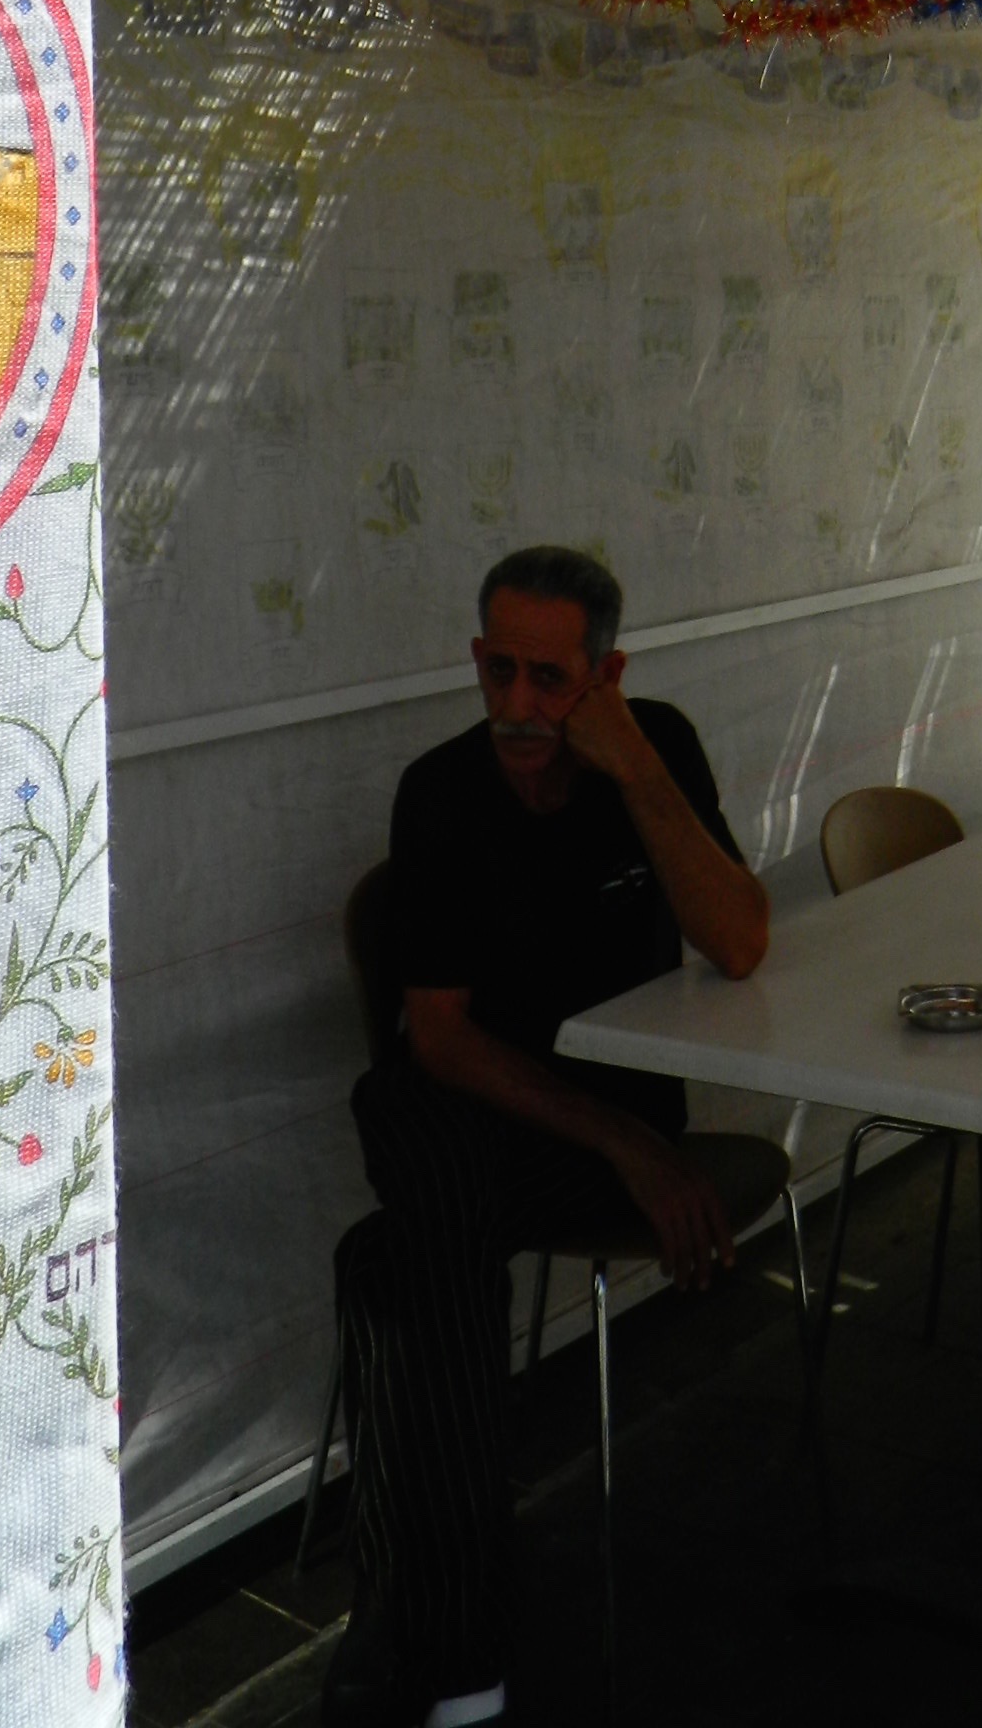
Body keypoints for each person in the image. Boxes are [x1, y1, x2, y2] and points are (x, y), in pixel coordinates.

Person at [324, 545, 770, 1728]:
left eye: (551, 680)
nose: (519, 706)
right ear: (479, 660)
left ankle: (427, 1630)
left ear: (605, 677)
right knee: (421, 1135)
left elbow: (738, 941)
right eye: (499, 672)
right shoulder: (440, 791)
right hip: (486, 1108)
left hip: (596, 1117)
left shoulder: (655, 746)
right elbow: (440, 1037)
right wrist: (629, 1147)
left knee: (394, 1261)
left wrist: (636, 771)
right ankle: (454, 1642)